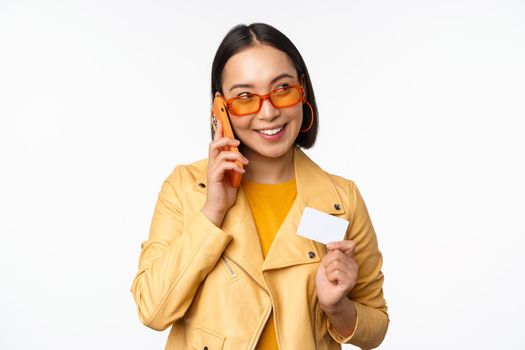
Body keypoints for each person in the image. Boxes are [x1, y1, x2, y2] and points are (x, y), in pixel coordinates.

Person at [131, 22, 389, 350]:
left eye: (282, 89)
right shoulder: (184, 188)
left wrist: (337, 307)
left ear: (302, 90)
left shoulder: (340, 199)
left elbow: (376, 324)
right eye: (244, 97)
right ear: (220, 109)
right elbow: (152, 310)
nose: (268, 112)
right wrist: (212, 211)